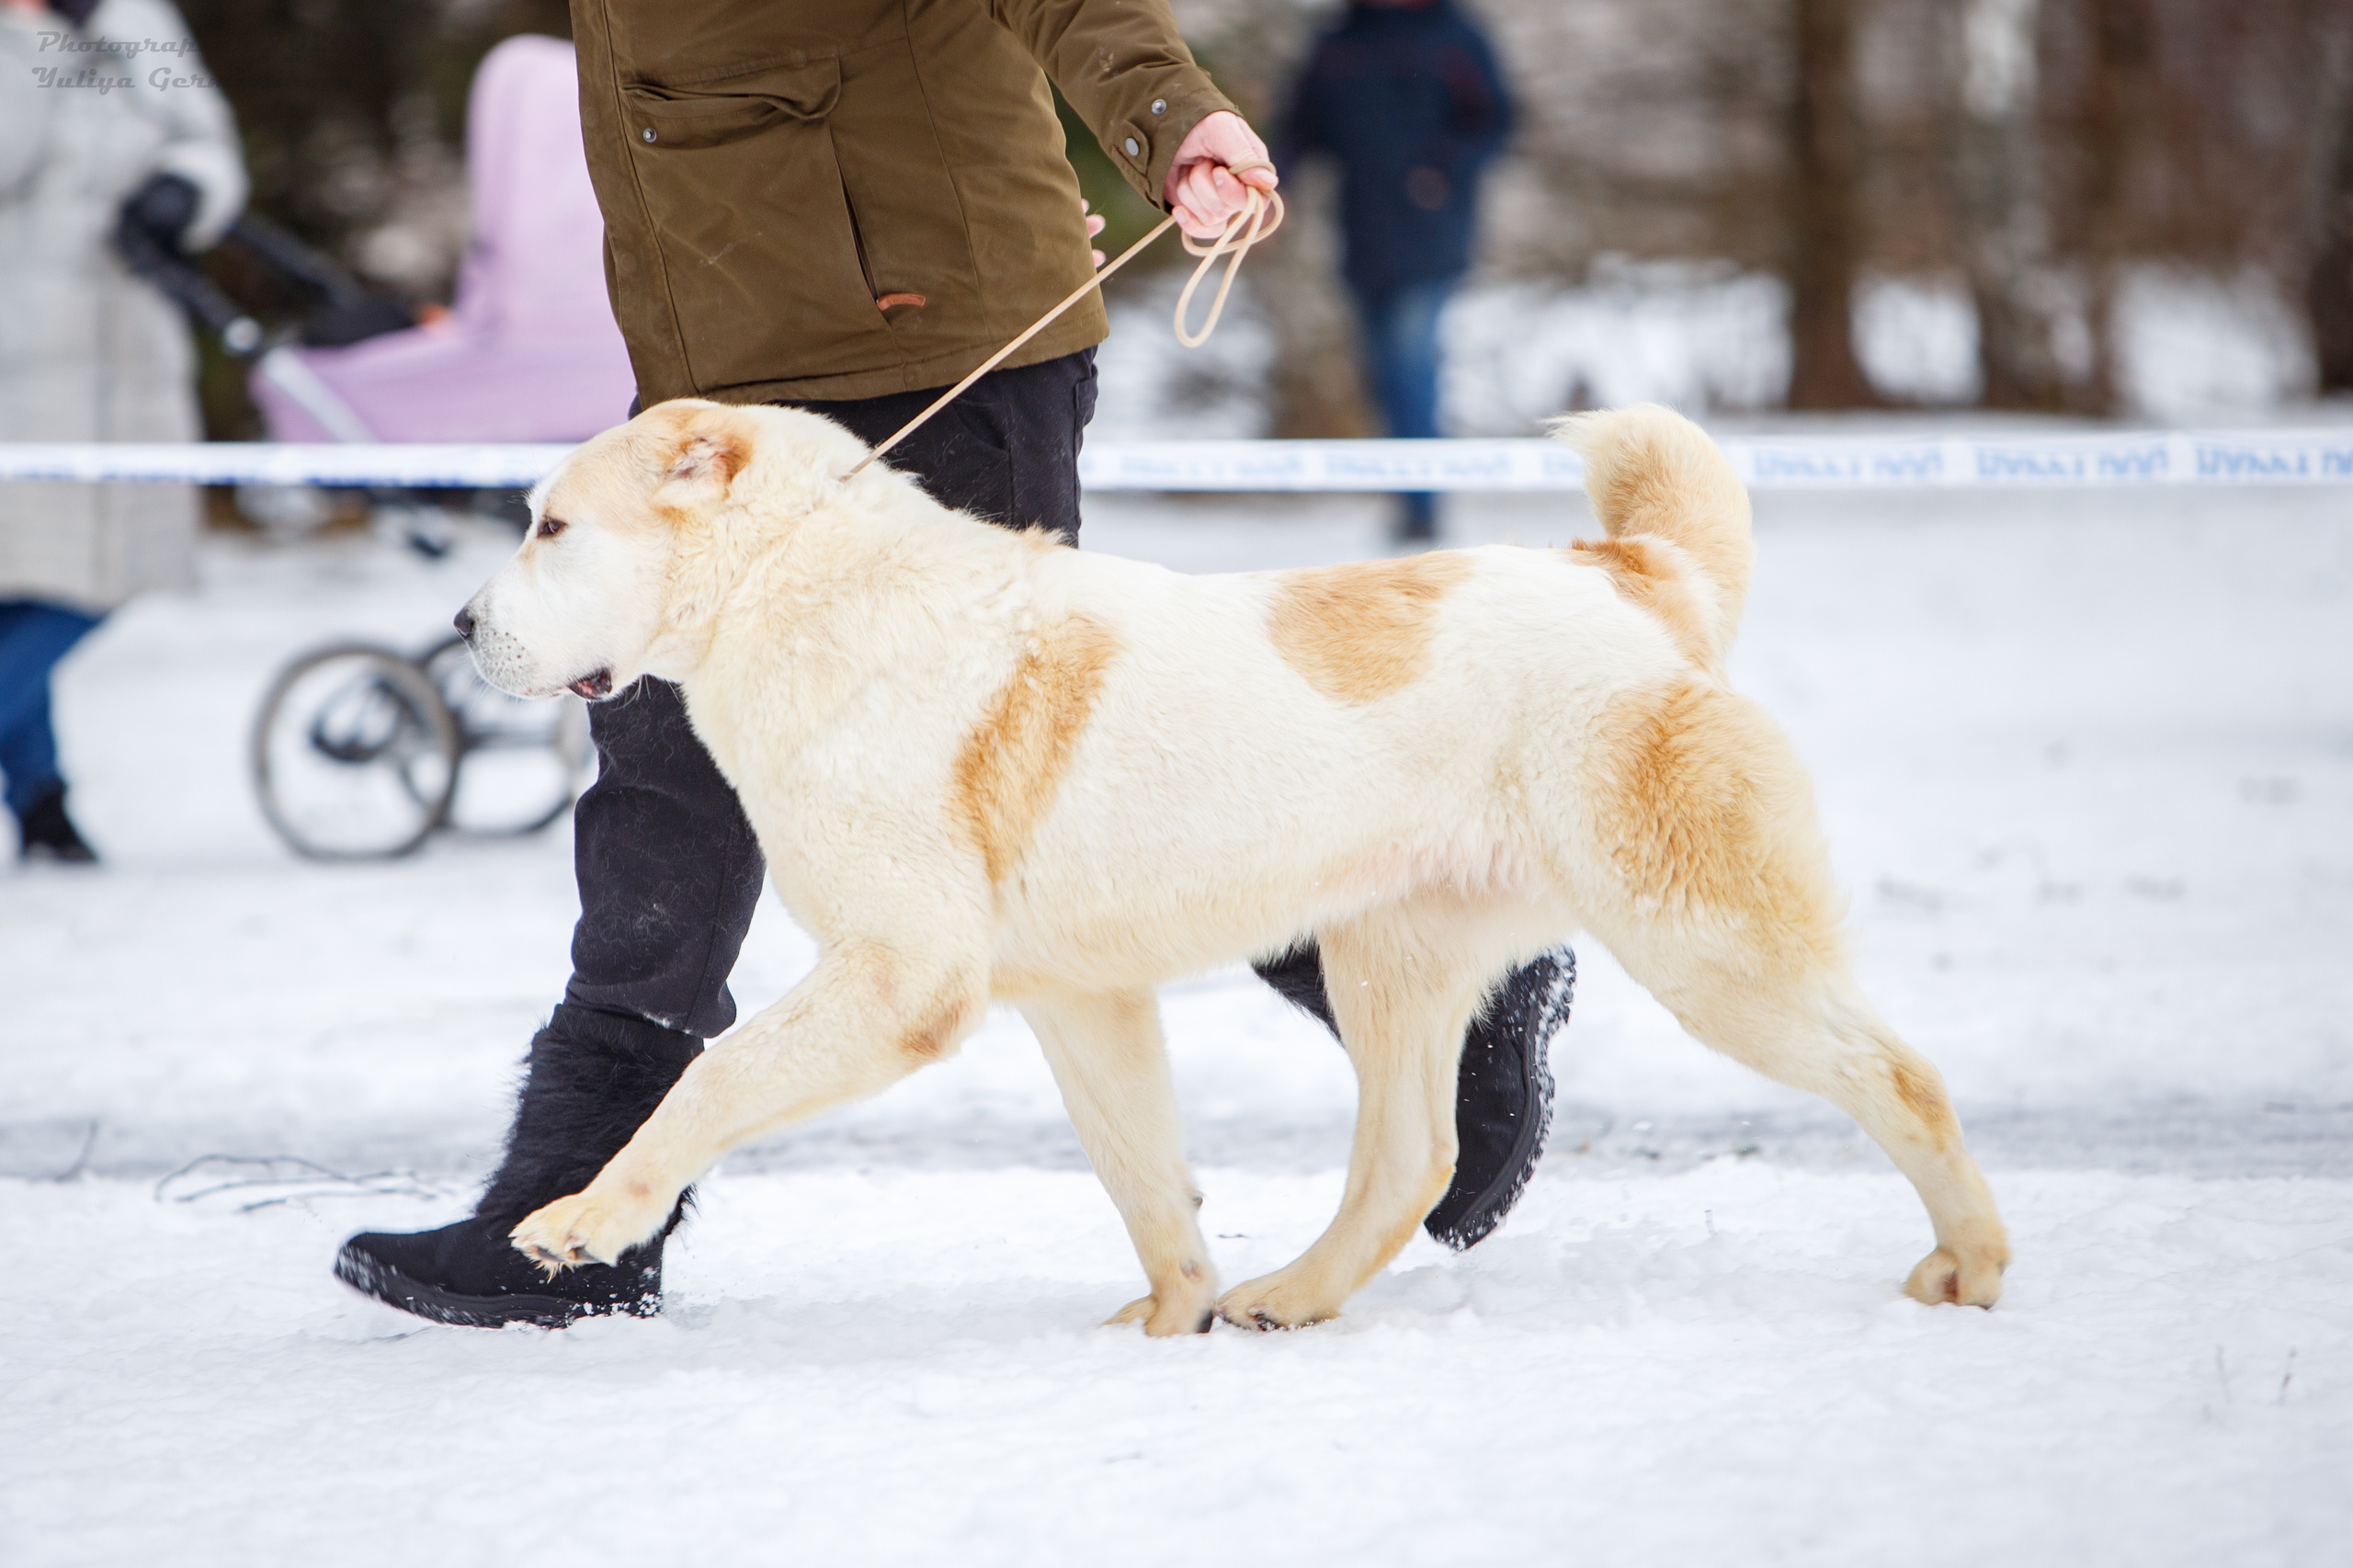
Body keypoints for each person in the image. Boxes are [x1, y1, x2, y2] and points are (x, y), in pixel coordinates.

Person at [336, 0, 1572, 1329]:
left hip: (937, 360)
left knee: (1078, 810)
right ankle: (573, 1217)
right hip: (722, 397)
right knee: (662, 786)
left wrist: (1172, 120)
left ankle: (1453, 965)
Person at [0, 0, 245, 861]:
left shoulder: (137, 17)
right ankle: (41, 799)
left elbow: (205, 134)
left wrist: (187, 189)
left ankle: (37, 796)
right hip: (17, 360)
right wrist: (30, 36)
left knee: (94, 575)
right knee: (33, 581)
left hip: (131, 353)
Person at [1280, 0, 1513, 543]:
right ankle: (1409, 497)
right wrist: (1267, 185)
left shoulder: (1454, 36)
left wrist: (1442, 171)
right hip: (1361, 236)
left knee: (1411, 367)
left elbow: (1495, 119)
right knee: (1382, 375)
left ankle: (1424, 507)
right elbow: (1299, 127)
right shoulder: (1337, 43)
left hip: (1431, 238)